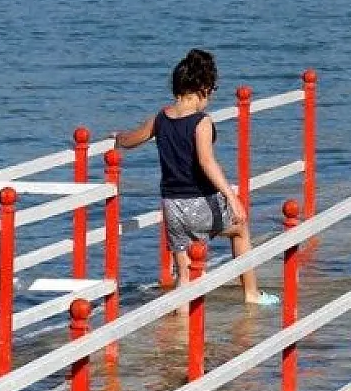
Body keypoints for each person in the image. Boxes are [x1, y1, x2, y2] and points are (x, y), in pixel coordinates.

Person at [114, 48, 277, 305]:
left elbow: (131, 140)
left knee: (184, 274)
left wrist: (116, 138)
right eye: (212, 92)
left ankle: (180, 323)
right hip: (199, 204)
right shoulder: (201, 122)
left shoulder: (160, 118)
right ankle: (251, 293)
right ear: (203, 89)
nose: (210, 98)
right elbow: (207, 162)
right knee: (240, 231)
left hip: (171, 207)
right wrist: (232, 198)